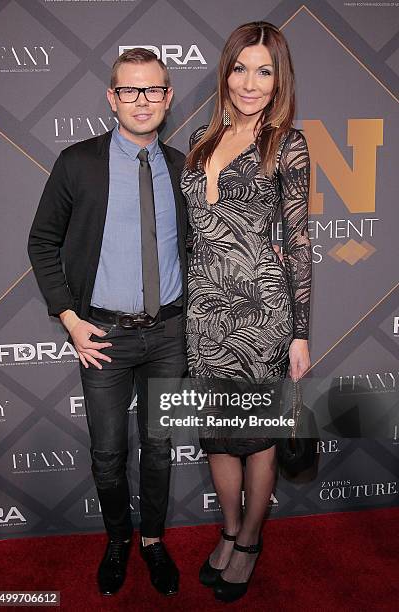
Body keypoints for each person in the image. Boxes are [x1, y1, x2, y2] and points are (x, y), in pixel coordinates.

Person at [28, 49, 188, 597]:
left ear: (168, 98)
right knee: (108, 452)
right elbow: (42, 242)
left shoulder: (182, 167)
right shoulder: (78, 163)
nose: (142, 101)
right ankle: (118, 539)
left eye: (153, 90)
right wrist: (70, 319)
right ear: (111, 97)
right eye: (130, 90)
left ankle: (153, 540)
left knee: (161, 447)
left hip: (169, 333)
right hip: (103, 336)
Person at [181, 21, 312, 602]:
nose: (250, 83)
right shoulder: (201, 139)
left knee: (256, 439)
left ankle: (252, 540)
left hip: (261, 315)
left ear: (279, 78)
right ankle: (230, 531)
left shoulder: (287, 143)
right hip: (204, 313)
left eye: (264, 70)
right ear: (225, 71)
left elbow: (301, 243)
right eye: (240, 68)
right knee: (217, 436)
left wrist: (300, 334)